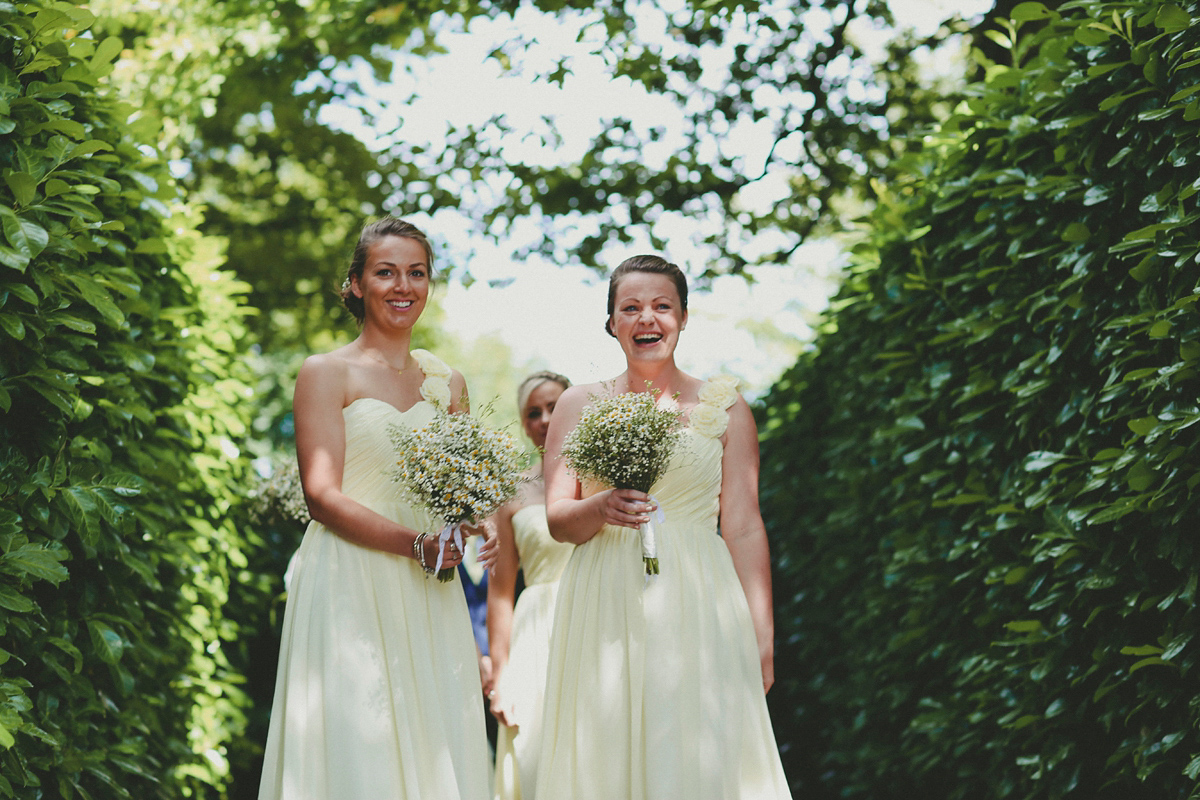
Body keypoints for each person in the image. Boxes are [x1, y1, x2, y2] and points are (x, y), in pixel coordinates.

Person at [535, 255, 791, 799]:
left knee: (697, 741)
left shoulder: (725, 409)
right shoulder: (580, 402)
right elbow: (558, 519)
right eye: (630, 308)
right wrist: (599, 506)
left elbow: (743, 526)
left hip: (699, 598)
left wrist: (761, 636)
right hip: (604, 596)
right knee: (607, 741)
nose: (646, 319)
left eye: (661, 306)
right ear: (612, 323)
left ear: (683, 317)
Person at [258, 216, 494, 800]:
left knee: (430, 728)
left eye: (416, 273)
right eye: (385, 272)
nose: (402, 286)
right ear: (357, 284)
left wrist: (471, 522)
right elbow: (322, 497)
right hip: (351, 575)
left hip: (431, 583)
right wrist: (414, 544)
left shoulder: (449, 384)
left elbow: (453, 491)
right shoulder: (325, 372)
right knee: (358, 734)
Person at [486, 371, 575, 800]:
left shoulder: (605, 477)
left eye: (555, 406)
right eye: (533, 413)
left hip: (594, 618)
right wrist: (500, 673)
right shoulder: (512, 493)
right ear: (524, 426)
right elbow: (500, 590)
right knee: (536, 752)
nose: (544, 418)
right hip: (535, 633)